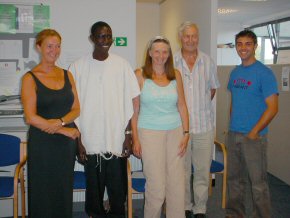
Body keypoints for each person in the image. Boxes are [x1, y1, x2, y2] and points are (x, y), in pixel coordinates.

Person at [69, 21, 140, 218]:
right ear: (92, 38)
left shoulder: (122, 65)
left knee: (118, 194)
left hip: (116, 140)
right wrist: (78, 141)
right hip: (90, 142)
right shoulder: (77, 67)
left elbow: (130, 104)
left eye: (109, 36)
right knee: (94, 195)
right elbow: (72, 108)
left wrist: (128, 135)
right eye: (101, 36)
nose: (105, 40)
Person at [21, 29, 80, 218]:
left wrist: (61, 121)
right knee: (43, 193)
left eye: (58, 46)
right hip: (43, 145)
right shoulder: (29, 78)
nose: (54, 50)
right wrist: (62, 130)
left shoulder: (67, 75)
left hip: (65, 147)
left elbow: (77, 109)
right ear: (39, 47)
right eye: (49, 46)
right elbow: (31, 117)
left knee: (63, 190)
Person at [132, 36, 189, 218]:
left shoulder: (176, 74)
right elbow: (134, 111)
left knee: (177, 184)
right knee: (156, 186)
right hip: (149, 133)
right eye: (157, 51)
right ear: (149, 53)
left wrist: (187, 133)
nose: (160, 55)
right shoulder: (139, 75)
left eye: (165, 52)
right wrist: (135, 139)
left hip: (175, 132)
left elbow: (182, 105)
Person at [226, 29, 278, 218]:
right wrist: (231, 126)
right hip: (233, 135)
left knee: (258, 183)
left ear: (255, 46)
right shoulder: (235, 72)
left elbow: (272, 107)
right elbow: (234, 102)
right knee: (233, 180)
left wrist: (255, 132)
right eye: (240, 44)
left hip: (254, 137)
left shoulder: (264, 73)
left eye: (248, 44)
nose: (243, 48)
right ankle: (234, 214)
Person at [174, 21, 220, 218]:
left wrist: (197, 107)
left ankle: (200, 208)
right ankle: (184, 205)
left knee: (202, 170)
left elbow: (212, 89)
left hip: (204, 126)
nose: (190, 40)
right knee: (181, 171)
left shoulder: (208, 61)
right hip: (179, 128)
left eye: (194, 36)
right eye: (186, 36)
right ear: (180, 38)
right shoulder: (172, 61)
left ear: (198, 37)